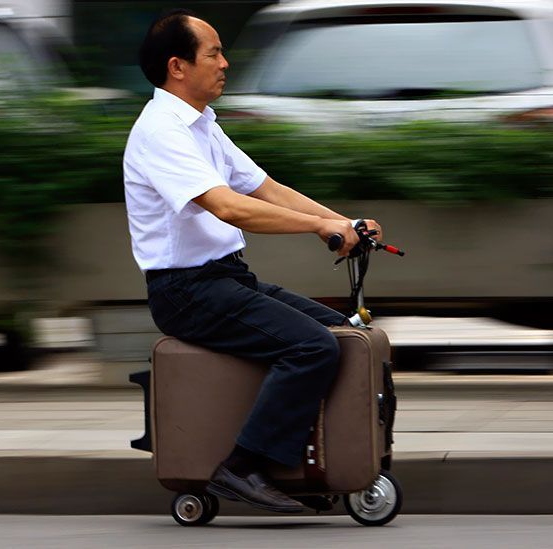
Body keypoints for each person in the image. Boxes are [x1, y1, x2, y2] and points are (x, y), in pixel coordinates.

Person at [123, 9, 383, 514]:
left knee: (339, 333)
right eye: (214, 53)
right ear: (178, 66)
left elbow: (265, 188)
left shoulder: (202, 126)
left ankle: (307, 467)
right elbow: (229, 207)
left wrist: (344, 222)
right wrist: (318, 228)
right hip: (186, 291)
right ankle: (243, 467)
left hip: (225, 279)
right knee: (310, 346)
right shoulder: (161, 131)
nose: (226, 63)